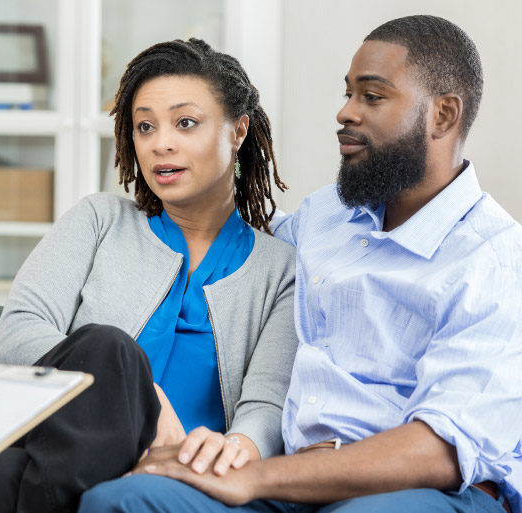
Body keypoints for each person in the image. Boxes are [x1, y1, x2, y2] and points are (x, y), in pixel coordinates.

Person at [79, 14, 522, 513]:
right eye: (348, 93)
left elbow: (442, 447)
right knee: (121, 500)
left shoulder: (496, 257)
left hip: (420, 493)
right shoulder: (326, 217)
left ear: (442, 115)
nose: (345, 112)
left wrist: (254, 477)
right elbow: (232, 237)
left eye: (371, 97)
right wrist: (187, 165)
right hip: (292, 484)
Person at [0, 38, 299, 512]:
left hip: (185, 472)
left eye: (185, 123)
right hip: (71, 448)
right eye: (145, 126)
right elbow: (19, 333)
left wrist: (234, 451)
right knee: (109, 350)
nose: (160, 142)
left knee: (4, 475)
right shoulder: (98, 220)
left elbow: (266, 405)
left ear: (238, 131)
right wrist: (137, 392)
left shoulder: (280, 269)